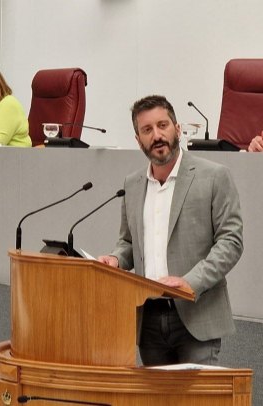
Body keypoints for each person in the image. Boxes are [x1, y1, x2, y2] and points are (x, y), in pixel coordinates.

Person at [97, 95, 243, 366]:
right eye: (147, 130)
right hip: (148, 319)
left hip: (196, 315)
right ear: (138, 139)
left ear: (177, 129)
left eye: (163, 125)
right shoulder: (132, 184)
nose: (157, 135)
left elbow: (231, 242)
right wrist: (116, 259)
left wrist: (191, 282)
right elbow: (129, 242)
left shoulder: (214, 176)